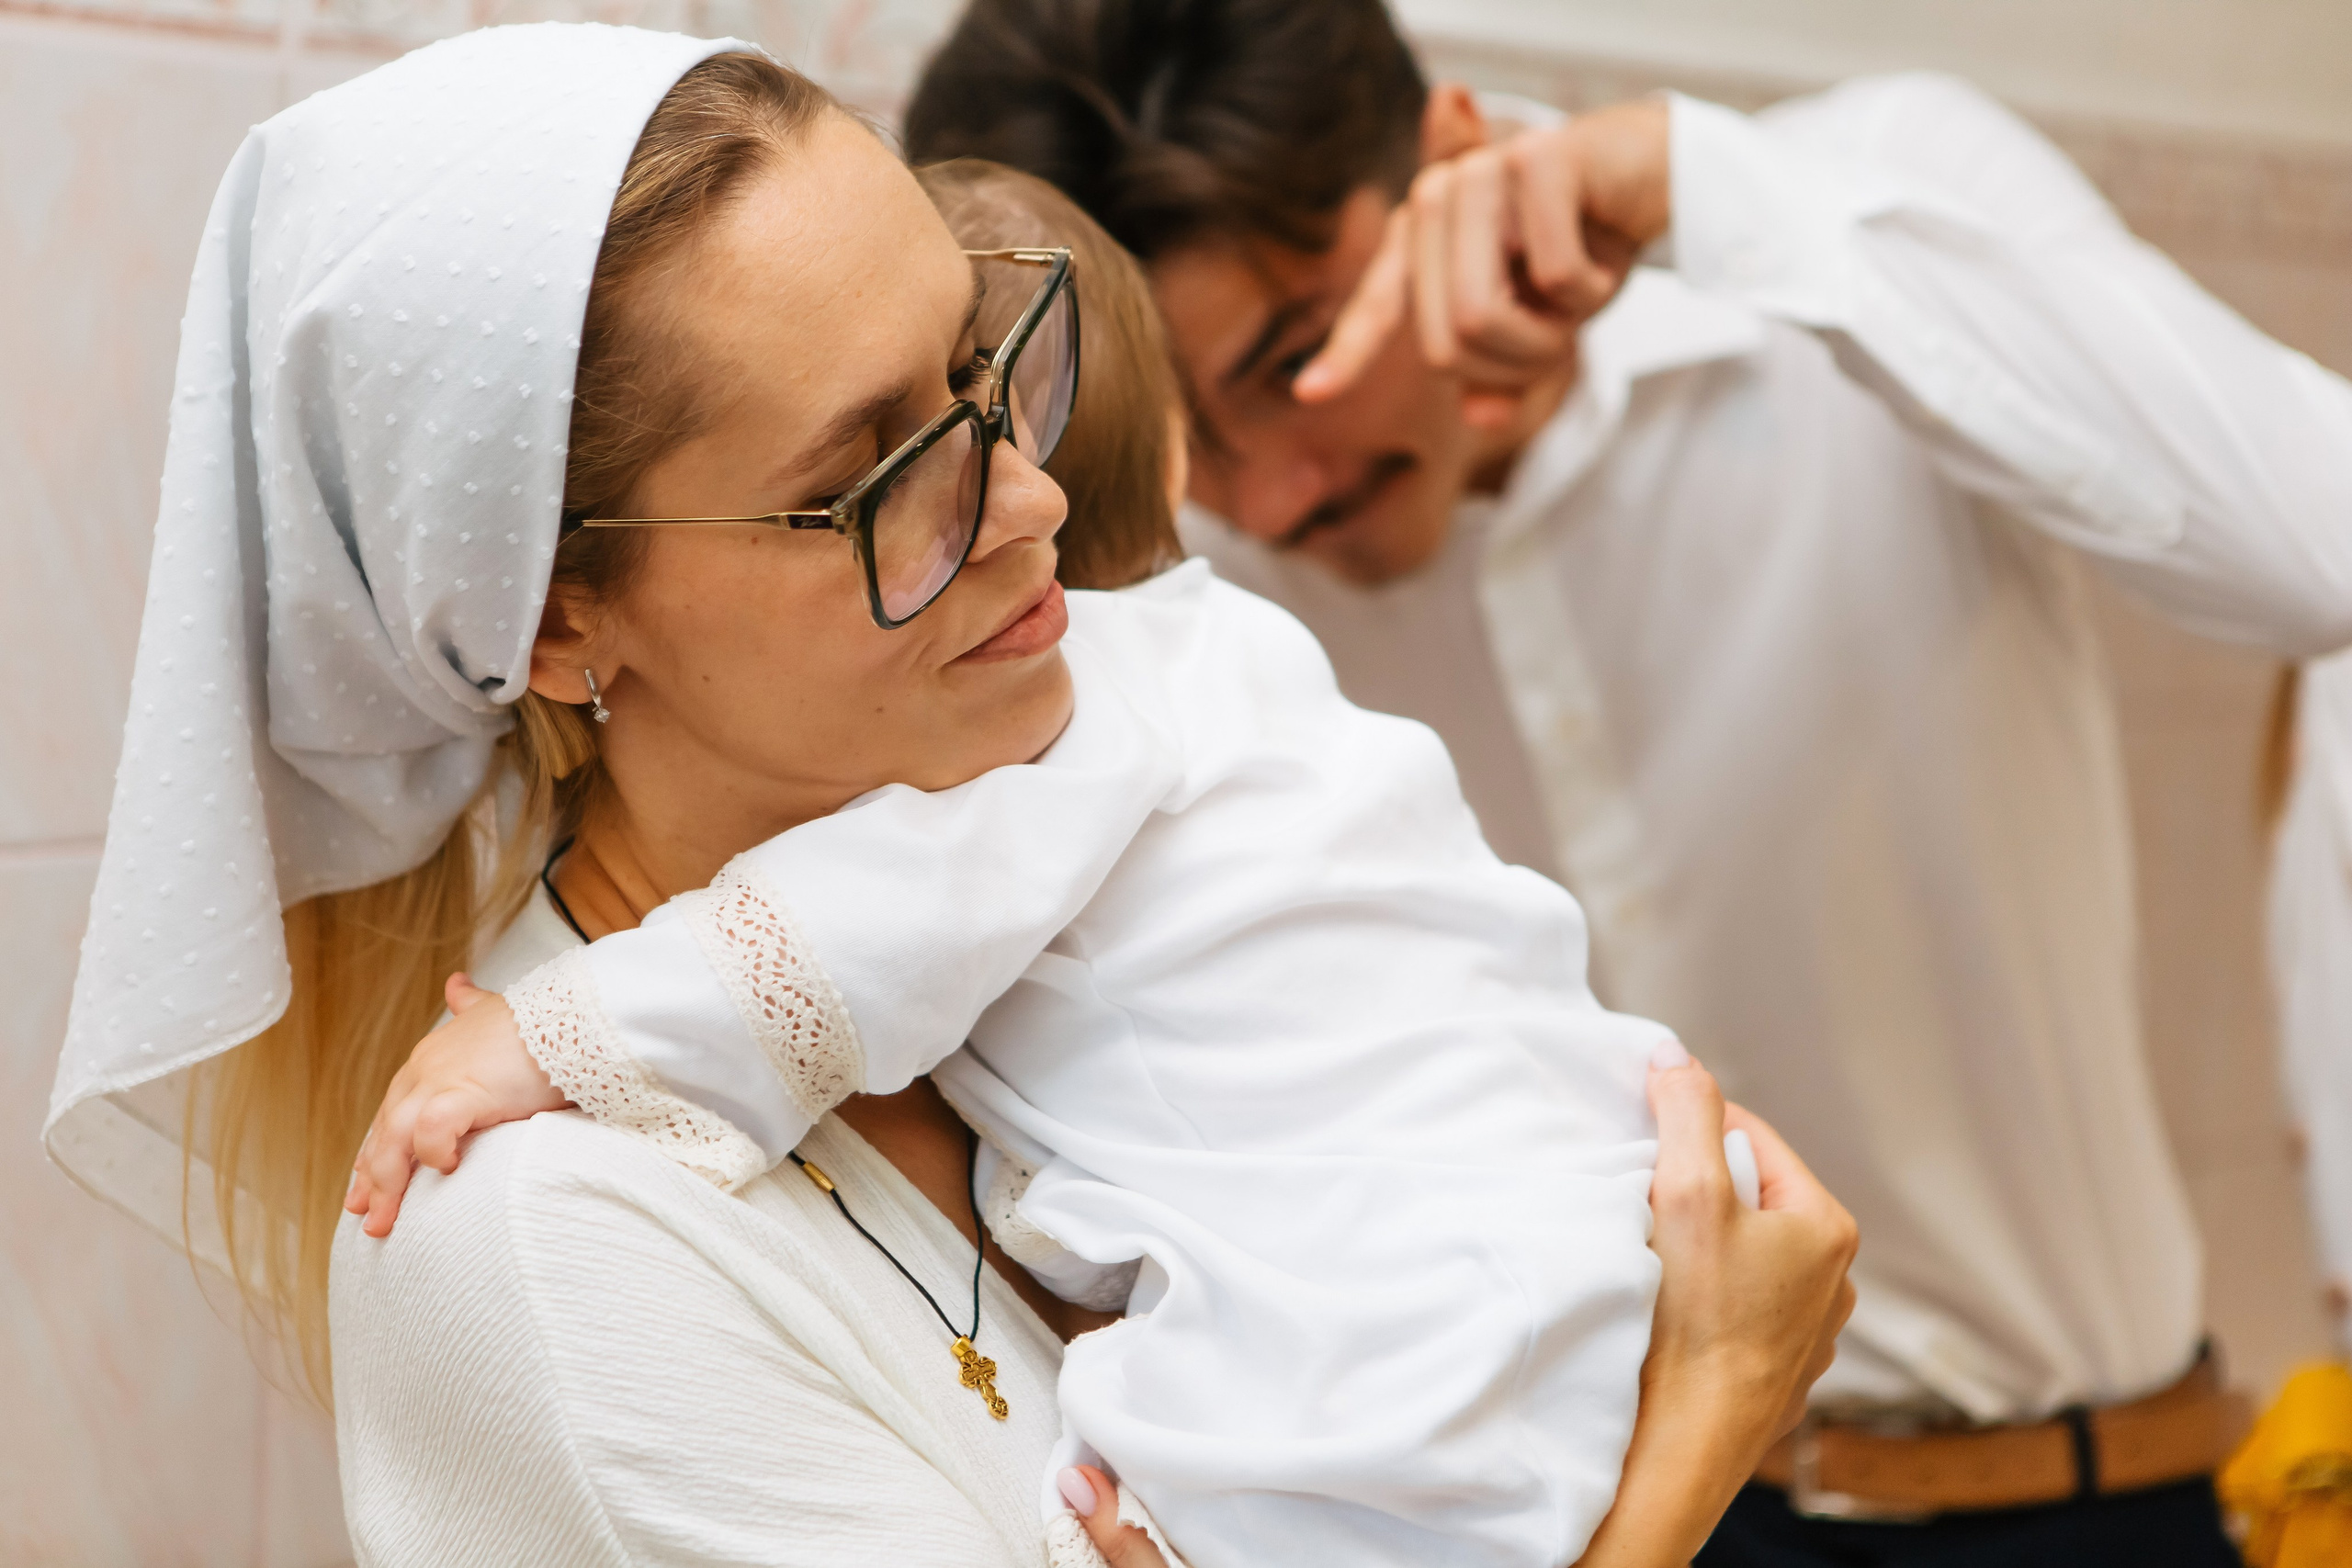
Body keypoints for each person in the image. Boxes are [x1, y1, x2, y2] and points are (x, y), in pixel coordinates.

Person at [44, 26, 1855, 1568]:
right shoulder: (546, 1253)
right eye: (874, 477)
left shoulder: (1032, 951)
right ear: (557, 620)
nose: (1027, 506)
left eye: (984, 376)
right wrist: (1693, 1437)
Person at [898, 0, 2352, 1562]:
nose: (1274, 492)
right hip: (1566, 1527)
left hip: (2058, 1504)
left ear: (1454, 152)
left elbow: (2322, 554)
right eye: (1198, 430)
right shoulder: (1176, 611)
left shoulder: (1858, 208)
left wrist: (1699, 193)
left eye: (1305, 354)